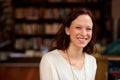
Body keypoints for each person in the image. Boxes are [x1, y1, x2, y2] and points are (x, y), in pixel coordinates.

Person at [39, 7, 97, 80]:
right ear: (67, 30)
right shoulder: (49, 60)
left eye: (88, 29)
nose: (84, 33)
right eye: (78, 27)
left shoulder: (92, 61)